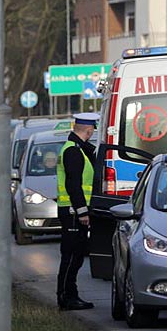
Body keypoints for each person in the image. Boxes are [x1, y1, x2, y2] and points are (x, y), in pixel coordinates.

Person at [56, 113, 98, 311]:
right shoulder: (73, 151)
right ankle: (66, 296)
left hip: (74, 211)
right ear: (88, 130)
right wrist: (82, 212)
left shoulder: (77, 149)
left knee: (76, 256)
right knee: (71, 256)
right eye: (93, 130)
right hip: (73, 212)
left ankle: (70, 295)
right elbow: (73, 185)